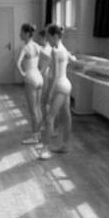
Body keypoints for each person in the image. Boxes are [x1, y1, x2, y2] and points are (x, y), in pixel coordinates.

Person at [38, 25, 77, 160]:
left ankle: (45, 149)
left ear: (55, 36)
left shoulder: (55, 51)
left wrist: (49, 93)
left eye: (48, 36)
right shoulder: (63, 48)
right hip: (66, 84)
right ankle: (65, 145)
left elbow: (54, 76)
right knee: (66, 116)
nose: (47, 39)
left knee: (49, 118)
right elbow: (72, 59)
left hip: (59, 86)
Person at [16, 23, 43, 145]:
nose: (19, 34)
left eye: (21, 32)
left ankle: (35, 136)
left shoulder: (25, 47)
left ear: (27, 34)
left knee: (33, 110)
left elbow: (17, 63)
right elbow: (48, 57)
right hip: (39, 77)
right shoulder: (37, 46)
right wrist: (42, 71)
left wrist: (23, 74)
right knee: (38, 108)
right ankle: (39, 132)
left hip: (30, 78)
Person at [37, 28, 53, 121]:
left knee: (45, 101)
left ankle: (48, 121)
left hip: (46, 76)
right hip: (43, 75)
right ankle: (45, 120)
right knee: (43, 101)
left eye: (40, 38)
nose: (39, 40)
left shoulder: (47, 49)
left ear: (45, 38)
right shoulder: (43, 48)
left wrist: (41, 71)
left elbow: (49, 61)